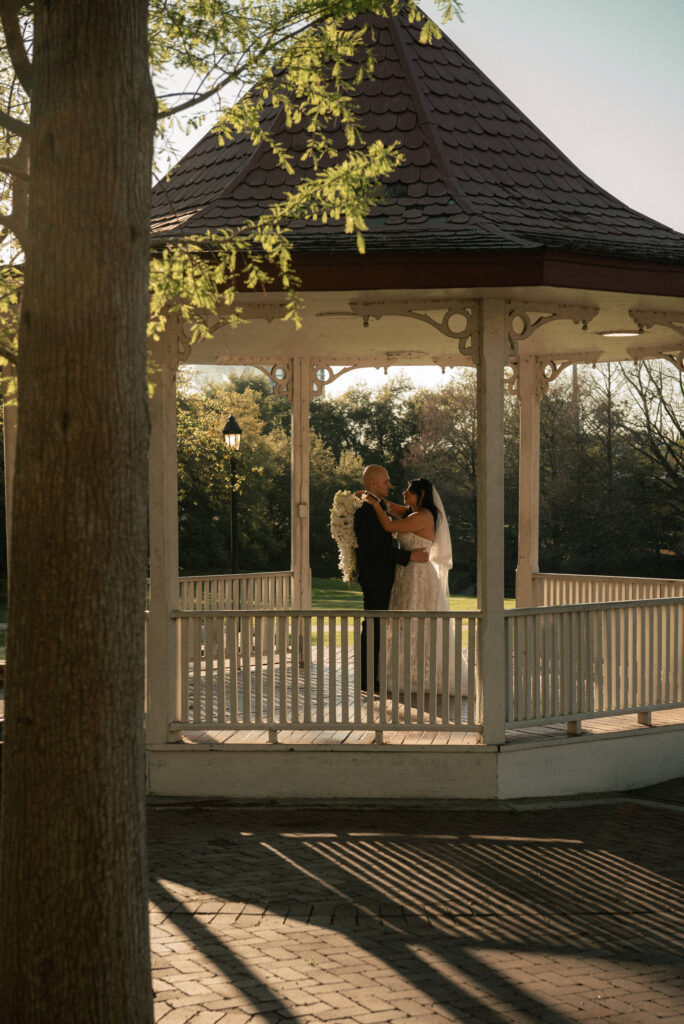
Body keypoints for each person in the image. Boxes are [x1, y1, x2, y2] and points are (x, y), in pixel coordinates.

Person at [364, 477, 468, 705]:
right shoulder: (413, 513)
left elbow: (389, 525)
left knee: (415, 621)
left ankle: (418, 674)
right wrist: (378, 499)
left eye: (408, 492)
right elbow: (392, 509)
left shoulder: (423, 517)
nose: (404, 493)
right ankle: (401, 670)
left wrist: (374, 505)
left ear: (420, 495)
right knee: (403, 621)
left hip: (418, 577)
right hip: (406, 574)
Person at [354, 465, 429, 693]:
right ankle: (367, 679)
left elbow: (394, 519)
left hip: (386, 574)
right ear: (374, 483)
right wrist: (409, 555)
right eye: (386, 481)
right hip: (375, 575)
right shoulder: (366, 510)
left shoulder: (375, 505)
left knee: (377, 625)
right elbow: (376, 549)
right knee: (373, 625)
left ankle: (373, 676)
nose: (390, 485)